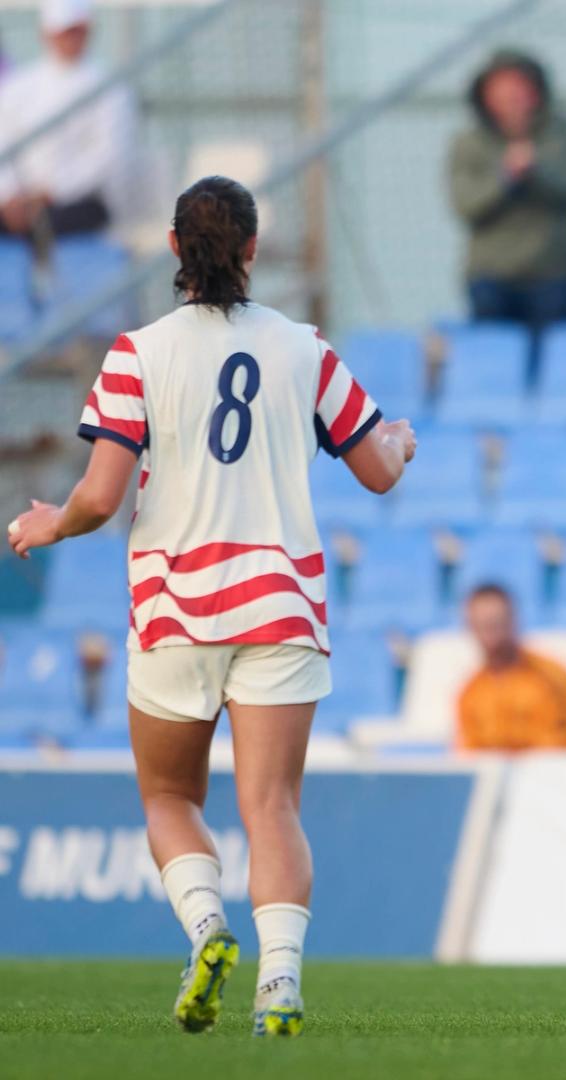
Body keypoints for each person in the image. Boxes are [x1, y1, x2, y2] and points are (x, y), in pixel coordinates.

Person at [7, 175, 416, 1037]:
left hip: (175, 606)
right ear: (253, 250)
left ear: (171, 249)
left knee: (167, 796)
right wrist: (399, 441)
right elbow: (376, 469)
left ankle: (205, 927)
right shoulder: (304, 347)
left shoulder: (137, 353)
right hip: (280, 603)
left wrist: (49, 524)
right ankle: (281, 982)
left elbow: (100, 495)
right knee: (273, 806)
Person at [447, 48, 566, 330]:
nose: (511, 97)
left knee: (560, 332)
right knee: (493, 340)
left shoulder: (562, 133)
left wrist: (536, 172)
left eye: (518, 87)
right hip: (493, 274)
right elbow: (465, 204)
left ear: (536, 91)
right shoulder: (468, 143)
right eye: (501, 89)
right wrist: (505, 178)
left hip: (554, 269)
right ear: (485, 96)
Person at [0, 0, 136, 242]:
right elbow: (5, 142)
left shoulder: (109, 87)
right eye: (64, 32)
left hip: (79, 201)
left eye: (76, 31)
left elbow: (108, 157)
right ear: (47, 33)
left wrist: (51, 192)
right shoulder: (21, 85)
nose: (70, 39)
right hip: (22, 202)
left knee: (47, 224)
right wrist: (10, 195)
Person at [457, 583, 566, 751]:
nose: (490, 635)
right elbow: (470, 754)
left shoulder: (552, 677)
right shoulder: (470, 692)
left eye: (496, 623)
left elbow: (562, 743)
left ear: (513, 620)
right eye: (482, 625)